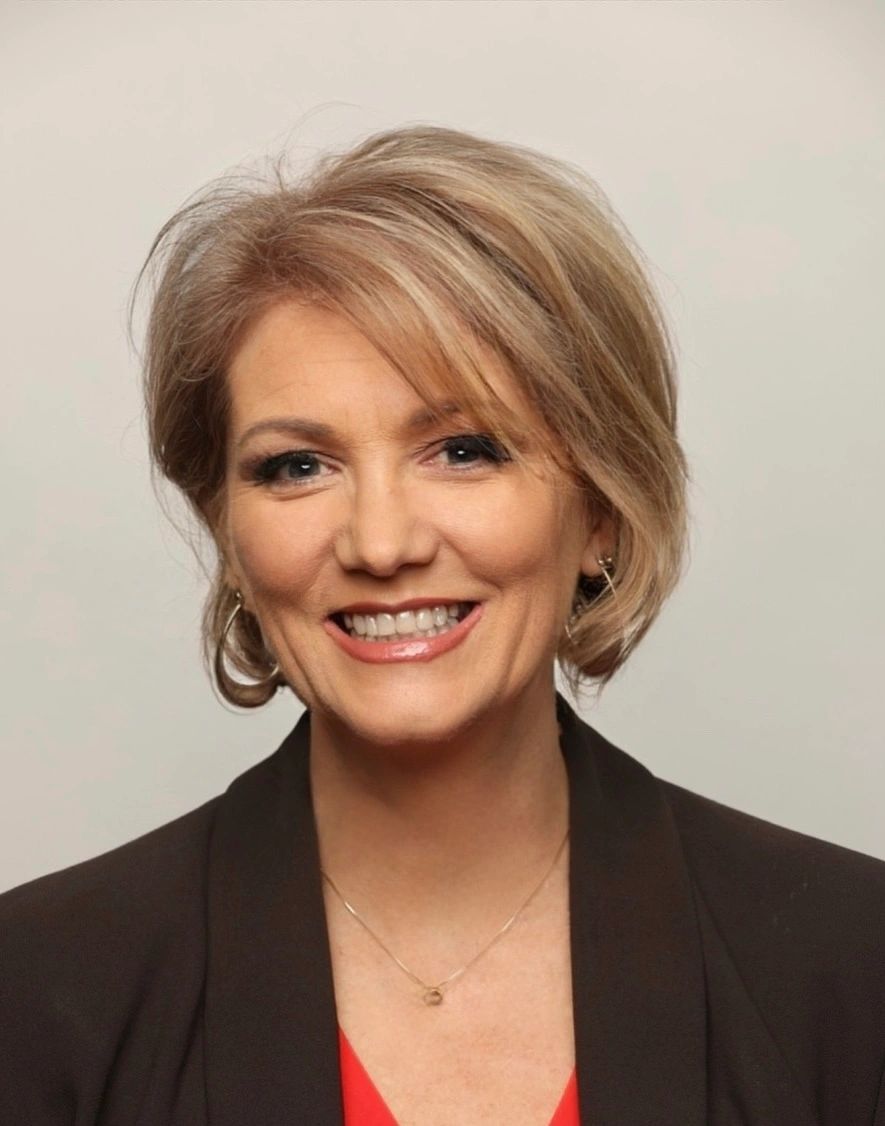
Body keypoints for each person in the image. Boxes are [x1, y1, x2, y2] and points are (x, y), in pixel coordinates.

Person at [1, 125, 883, 1126]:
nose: (381, 543)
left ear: (600, 508)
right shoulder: (34, 992)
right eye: (298, 466)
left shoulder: (853, 970)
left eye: (464, 450)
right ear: (230, 532)